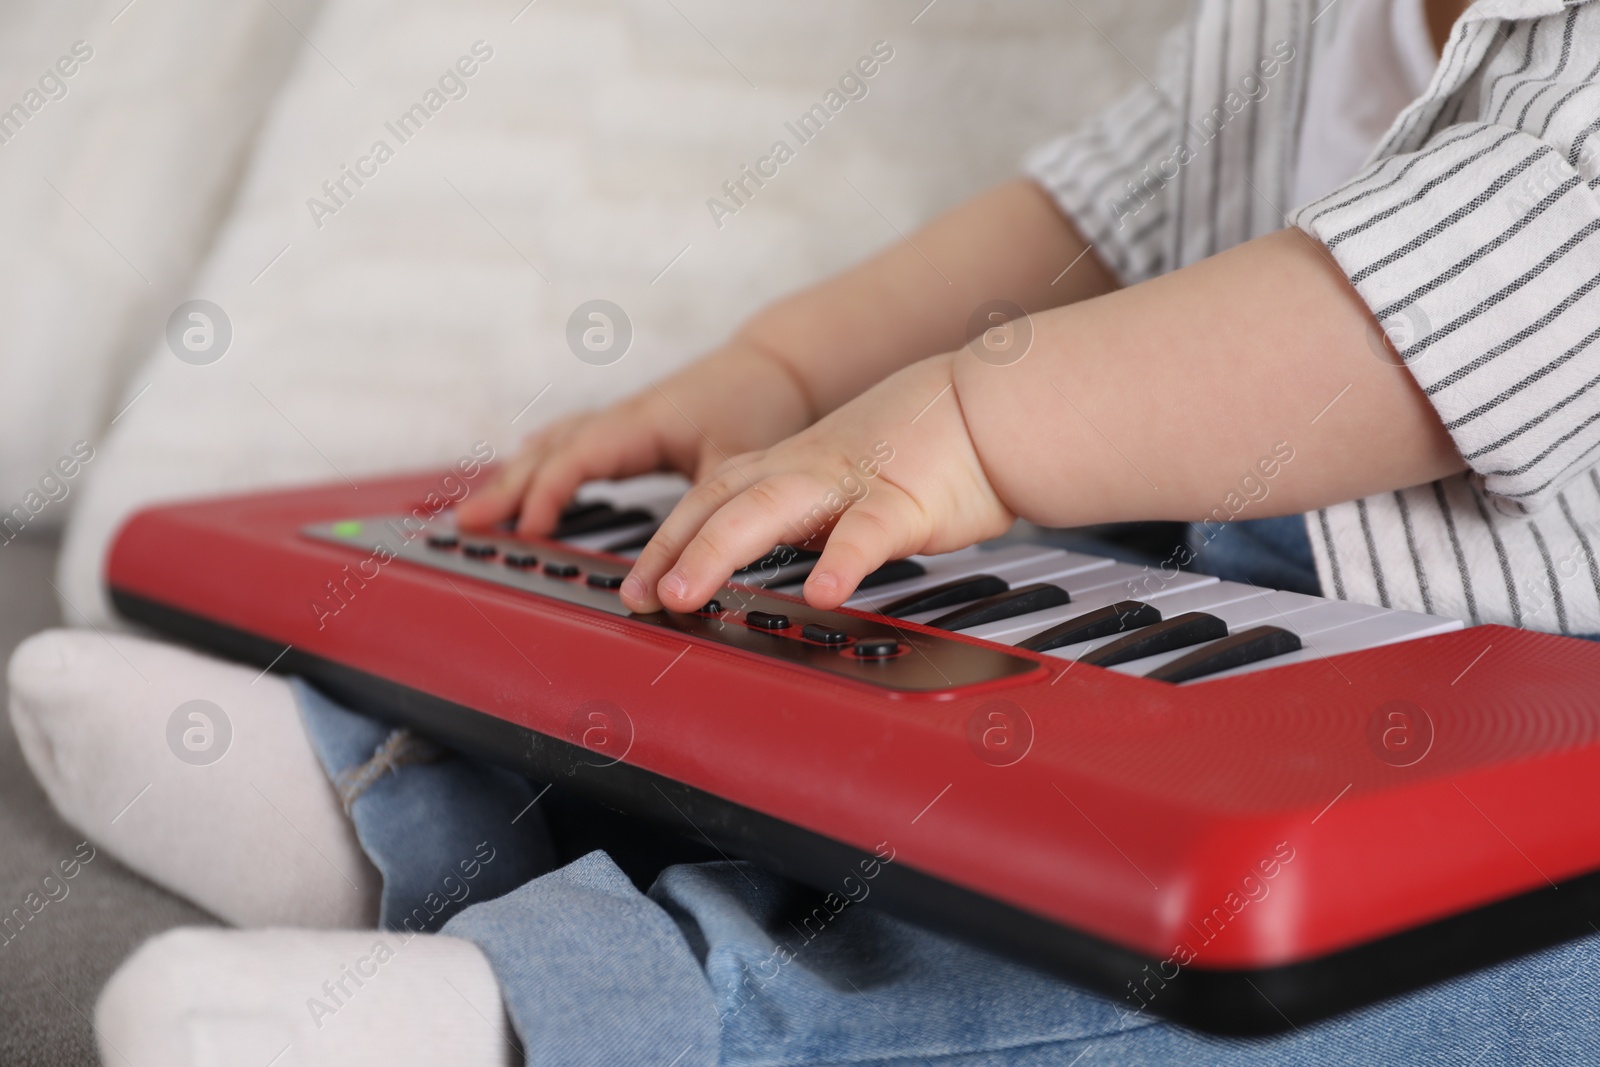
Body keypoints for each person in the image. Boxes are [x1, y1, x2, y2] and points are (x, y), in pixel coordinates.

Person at [12, 0, 1600, 1062]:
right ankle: (404, 809)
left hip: (1532, 762)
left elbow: (1442, 302)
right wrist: (779, 376)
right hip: (1217, 596)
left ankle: (602, 1017)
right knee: (845, 669)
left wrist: (971, 426)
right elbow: (1081, 222)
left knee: (1258, 963)